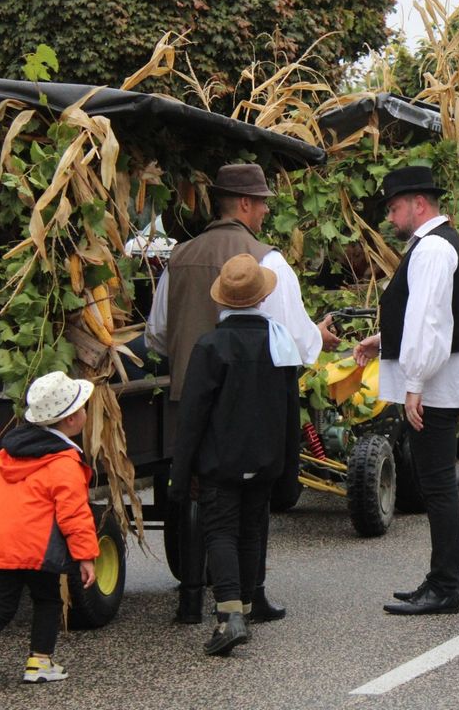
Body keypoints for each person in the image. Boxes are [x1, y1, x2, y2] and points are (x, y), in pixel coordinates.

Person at [145, 162, 336, 624]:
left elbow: (156, 335)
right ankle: (252, 596)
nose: (267, 211)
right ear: (246, 204)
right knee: (251, 508)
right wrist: (321, 338)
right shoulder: (265, 259)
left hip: (189, 399)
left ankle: (191, 597)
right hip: (250, 404)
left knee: (195, 496)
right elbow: (293, 339)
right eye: (264, 202)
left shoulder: (181, 256)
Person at [353, 166, 459, 615]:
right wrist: (384, 342)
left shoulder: (431, 248)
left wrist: (414, 383)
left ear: (418, 204)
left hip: (434, 385)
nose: (390, 218)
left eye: (393, 208)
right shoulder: (438, 243)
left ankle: (447, 584)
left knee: (437, 486)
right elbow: (423, 318)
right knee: (437, 485)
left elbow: (430, 321)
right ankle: (444, 579)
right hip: (439, 381)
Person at [169, 254, 303, 656]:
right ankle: (245, 605)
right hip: (265, 461)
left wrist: (181, 473)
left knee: (221, 531)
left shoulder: (210, 345)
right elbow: (290, 412)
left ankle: (229, 616)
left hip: (219, 461)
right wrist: (288, 469)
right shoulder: (279, 343)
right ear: (262, 298)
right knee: (252, 529)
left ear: (223, 300)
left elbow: (193, 415)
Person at [0, 371, 100, 694]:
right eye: (83, 407)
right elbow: (74, 514)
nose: (86, 412)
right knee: (47, 599)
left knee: (1, 604)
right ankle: (40, 662)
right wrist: (85, 556)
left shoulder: (11, 453)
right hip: (35, 548)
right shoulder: (64, 462)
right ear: (71, 419)